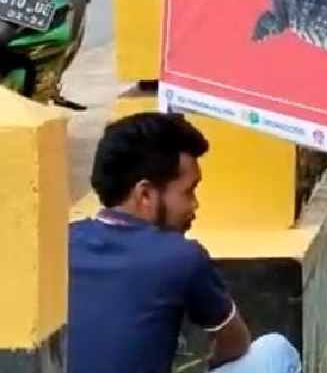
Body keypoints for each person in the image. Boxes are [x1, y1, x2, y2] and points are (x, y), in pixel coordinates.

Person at [68, 112, 300, 373]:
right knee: (276, 351)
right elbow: (236, 342)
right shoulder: (180, 256)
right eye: (189, 191)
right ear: (145, 195)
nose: (195, 205)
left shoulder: (64, 242)